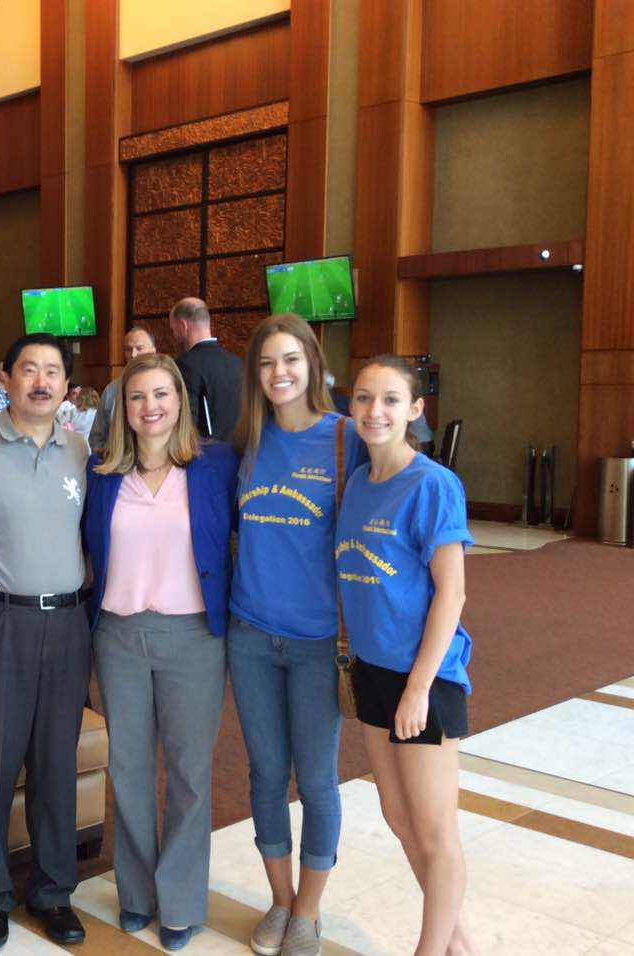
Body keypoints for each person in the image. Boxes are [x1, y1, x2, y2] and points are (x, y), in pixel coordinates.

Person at [81, 354, 238, 951]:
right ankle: (137, 894)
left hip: (192, 637)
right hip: (118, 637)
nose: (151, 407)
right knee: (129, 769)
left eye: (161, 394)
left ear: (180, 400)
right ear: (123, 408)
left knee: (190, 774)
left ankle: (180, 900)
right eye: (138, 396)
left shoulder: (216, 464)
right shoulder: (102, 473)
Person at [227, 313, 366, 956]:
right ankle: (280, 899)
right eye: (266, 363)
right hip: (251, 634)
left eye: (290, 360)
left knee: (315, 779)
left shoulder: (345, 439)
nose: (278, 373)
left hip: (317, 642)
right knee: (264, 773)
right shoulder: (249, 442)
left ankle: (308, 910)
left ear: (312, 363)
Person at [0, 333, 91, 949]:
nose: (40, 381)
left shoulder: (79, 450)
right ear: (4, 378)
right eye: (28, 369)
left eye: (52, 371)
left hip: (67, 624)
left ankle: (54, 890)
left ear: (67, 386)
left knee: (56, 762)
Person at [336, 355, 475, 956]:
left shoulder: (432, 485)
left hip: (425, 678)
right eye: (364, 398)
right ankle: (457, 945)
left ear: (415, 410)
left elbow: (453, 592)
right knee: (398, 816)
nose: (375, 411)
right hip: (373, 671)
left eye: (391, 400)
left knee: (435, 831)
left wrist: (419, 688)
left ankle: (431, 949)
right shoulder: (356, 483)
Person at [171, 298, 243, 440]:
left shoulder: (184, 365)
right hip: (244, 448)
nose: (173, 335)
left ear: (183, 325)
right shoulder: (237, 362)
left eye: (173, 329)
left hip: (206, 451)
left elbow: (187, 423)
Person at [89, 325, 157, 451]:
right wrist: (109, 458)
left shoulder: (165, 388)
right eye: (128, 349)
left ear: (153, 351)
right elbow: (96, 437)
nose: (133, 355)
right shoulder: (112, 390)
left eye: (139, 348)